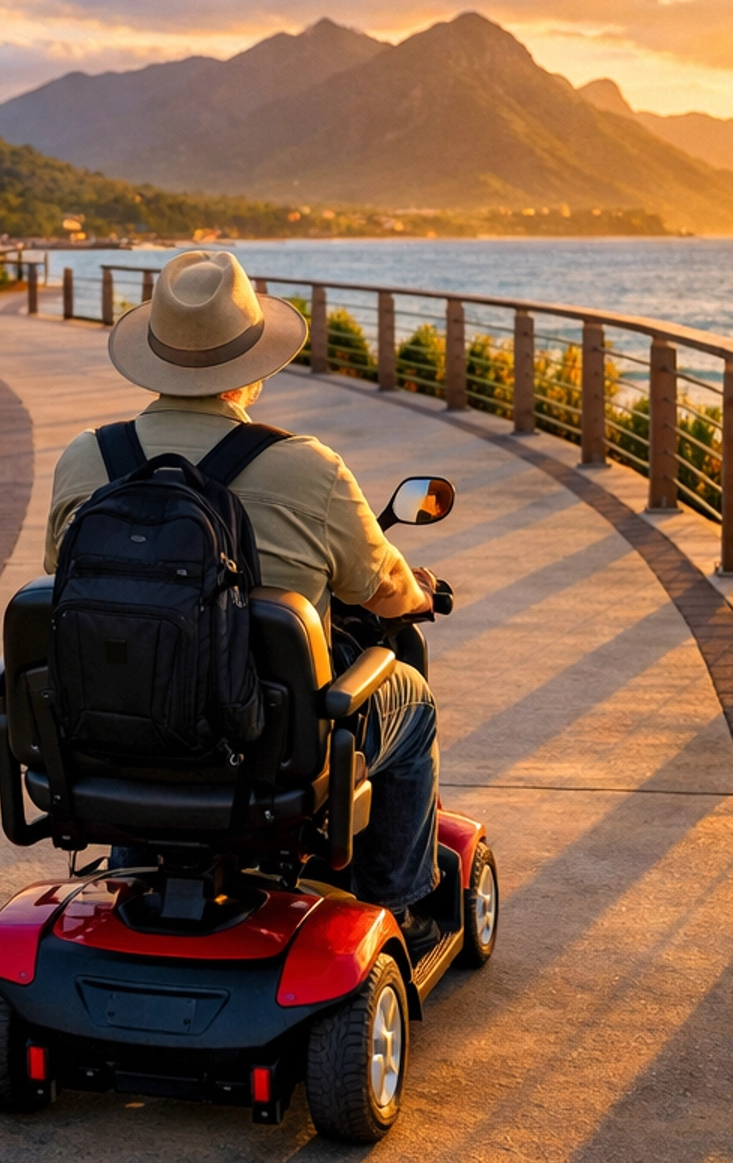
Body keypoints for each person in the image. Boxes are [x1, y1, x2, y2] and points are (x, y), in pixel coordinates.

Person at [44, 248, 443, 946]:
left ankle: (141, 856)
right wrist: (419, 597)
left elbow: (61, 575)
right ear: (255, 368)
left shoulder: (86, 458)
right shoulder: (309, 468)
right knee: (412, 699)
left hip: (106, 741)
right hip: (270, 750)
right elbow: (381, 589)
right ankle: (398, 904)